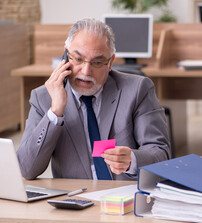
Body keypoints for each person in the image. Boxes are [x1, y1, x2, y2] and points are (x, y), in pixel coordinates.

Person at [17, 18, 170, 180]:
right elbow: (27, 169)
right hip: (75, 198)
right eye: (78, 59)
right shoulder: (43, 98)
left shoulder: (137, 90)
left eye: (97, 62)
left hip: (123, 197)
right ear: (66, 56)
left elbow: (161, 153)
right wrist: (55, 112)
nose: (86, 71)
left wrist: (133, 160)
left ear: (110, 62)